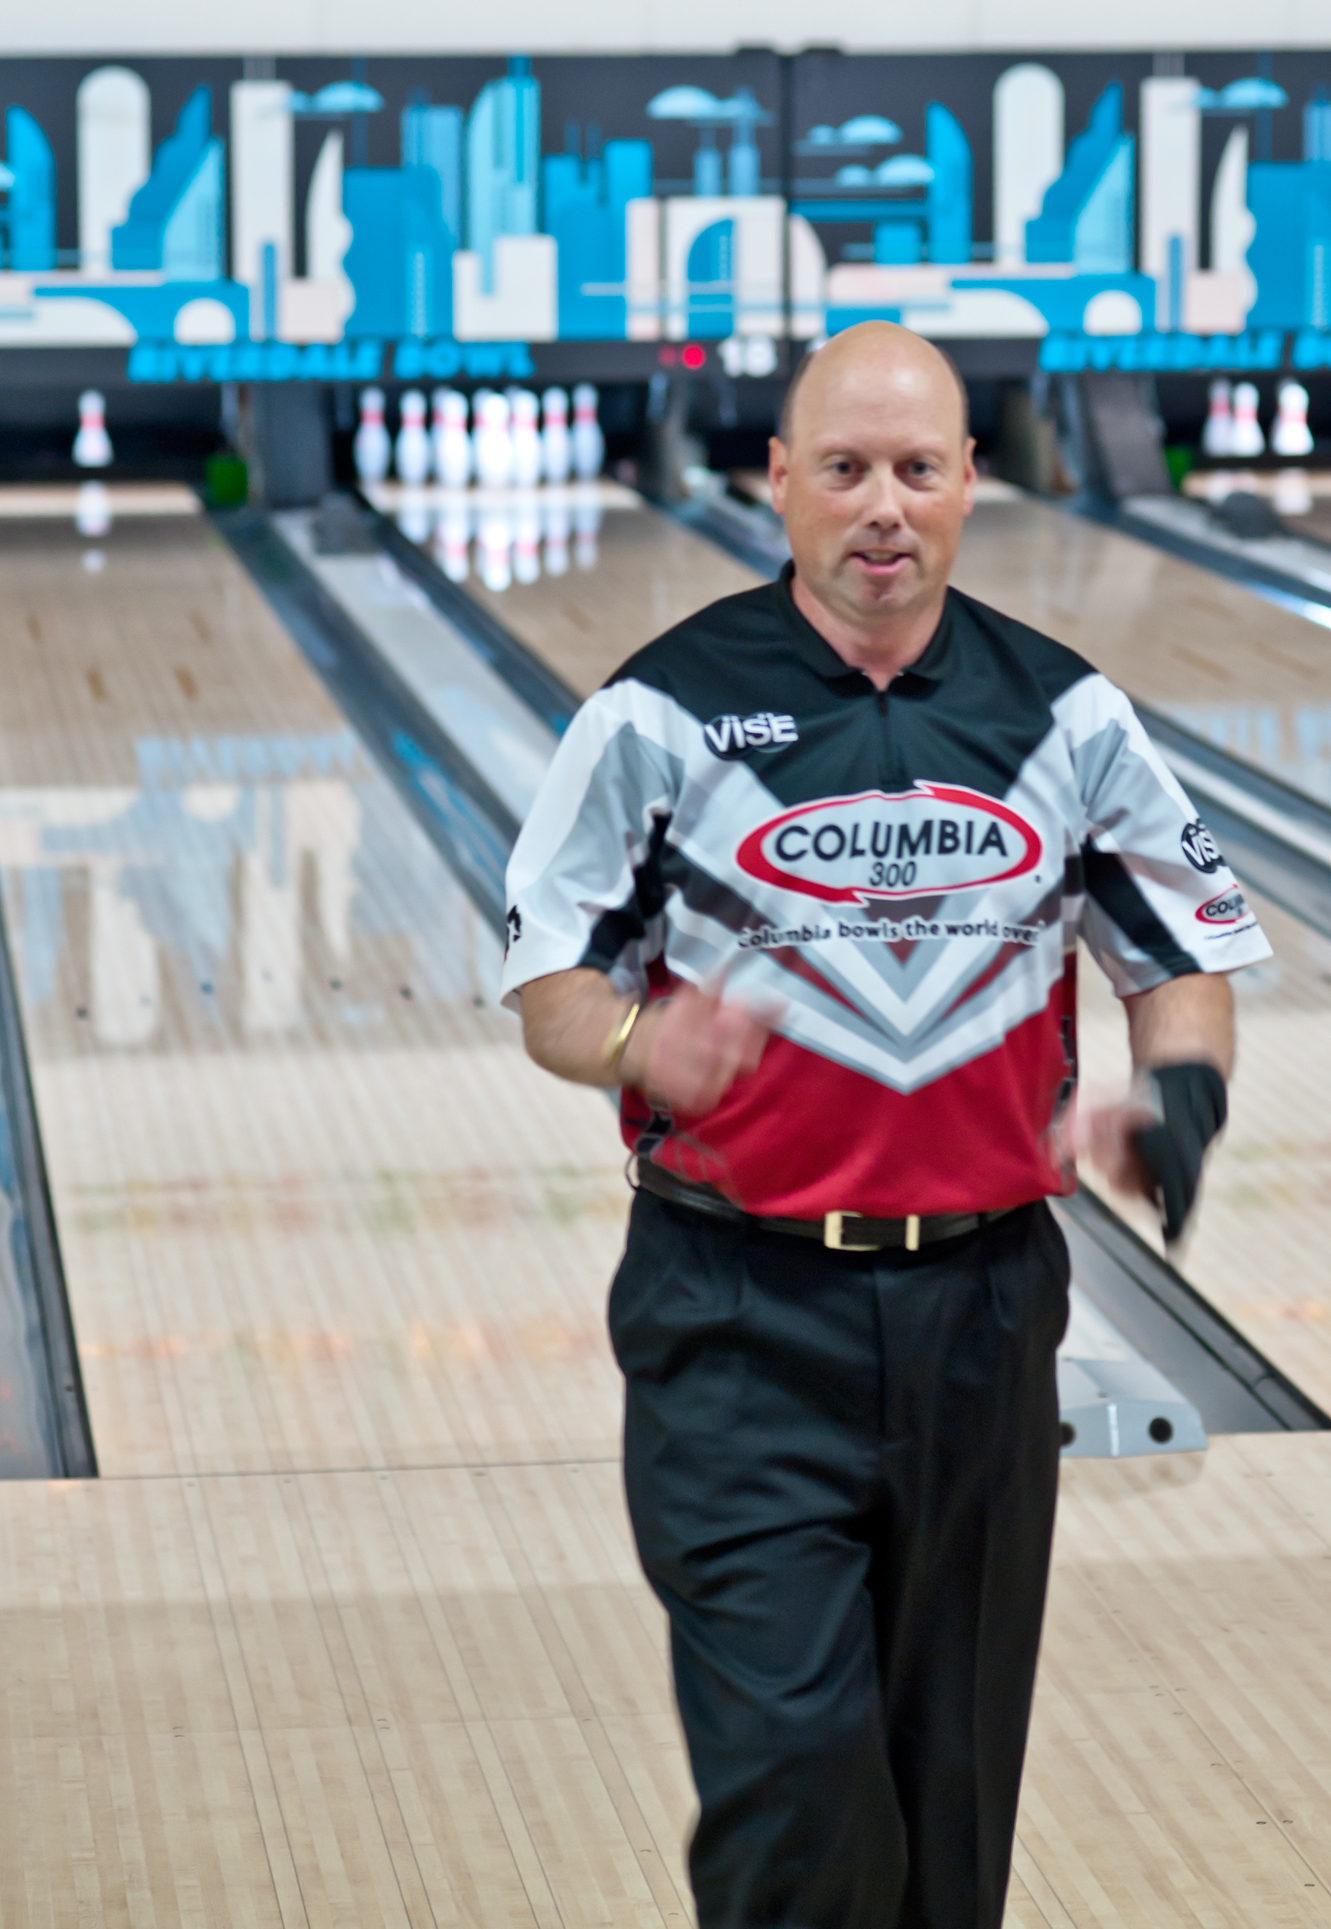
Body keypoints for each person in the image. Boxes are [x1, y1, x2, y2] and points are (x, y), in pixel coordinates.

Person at [500, 321, 1270, 1929]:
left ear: (972, 481)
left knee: (949, 1813)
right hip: (736, 1318)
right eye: (844, 468)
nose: (882, 507)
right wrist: (642, 1040)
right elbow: (550, 985)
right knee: (799, 1782)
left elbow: (1181, 954)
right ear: (779, 479)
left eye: (918, 468)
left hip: (984, 1314)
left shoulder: (1066, 715)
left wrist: (1180, 1100)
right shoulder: (658, 714)